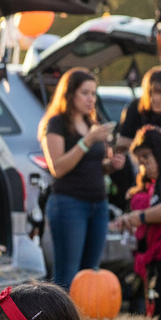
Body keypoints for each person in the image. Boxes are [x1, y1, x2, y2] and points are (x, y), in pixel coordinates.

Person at [38, 67, 124, 291]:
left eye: (94, 93)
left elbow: (91, 166)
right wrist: (87, 141)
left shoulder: (91, 123)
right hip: (69, 204)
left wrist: (110, 166)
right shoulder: (56, 123)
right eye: (85, 93)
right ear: (70, 94)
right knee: (67, 276)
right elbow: (57, 167)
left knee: (90, 275)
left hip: (98, 204)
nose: (91, 99)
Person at [111, 125, 161, 320]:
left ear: (159, 151)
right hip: (160, 257)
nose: (144, 166)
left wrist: (141, 217)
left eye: (146, 158)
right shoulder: (160, 180)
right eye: (141, 160)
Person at [115, 65, 161, 150]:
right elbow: (121, 140)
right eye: (151, 92)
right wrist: (143, 145)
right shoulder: (136, 108)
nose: (156, 98)